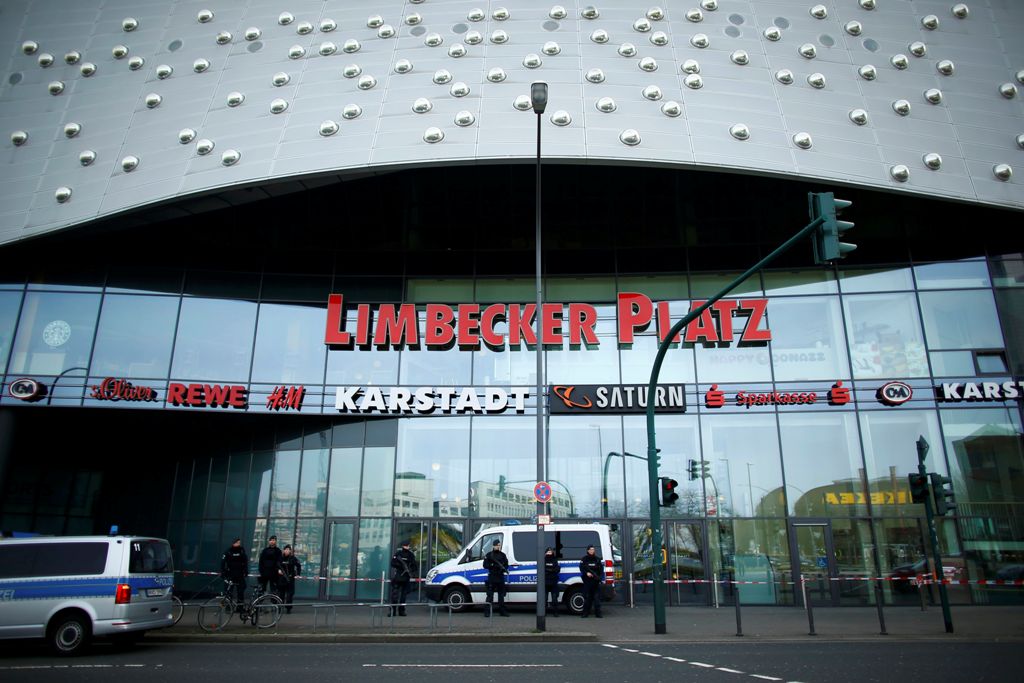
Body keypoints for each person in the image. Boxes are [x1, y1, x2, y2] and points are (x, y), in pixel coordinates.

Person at [483, 539, 511, 617]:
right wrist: (493, 565)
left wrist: (502, 568)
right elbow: (485, 565)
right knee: (490, 596)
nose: (498, 547)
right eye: (496, 545)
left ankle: (502, 611)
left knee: (501, 596)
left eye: (499, 545)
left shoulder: (503, 555)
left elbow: (506, 565)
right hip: (492, 577)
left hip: (500, 577)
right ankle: (487, 612)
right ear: (493, 546)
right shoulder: (489, 555)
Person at [389, 540, 417, 616]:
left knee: (403, 596)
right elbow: (393, 563)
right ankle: (393, 611)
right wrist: (401, 566)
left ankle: (400, 611)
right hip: (399, 577)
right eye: (407, 545)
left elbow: (414, 566)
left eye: (408, 545)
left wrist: (410, 571)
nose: (408, 547)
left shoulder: (410, 555)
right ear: (403, 546)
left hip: (405, 577)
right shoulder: (399, 554)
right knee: (395, 595)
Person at [220, 538, 248, 607]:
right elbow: (223, 562)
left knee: (241, 591)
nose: (239, 544)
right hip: (230, 574)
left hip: (240, 574)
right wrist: (223, 572)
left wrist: (246, 570)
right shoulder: (228, 551)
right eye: (237, 543)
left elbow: (245, 561)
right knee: (229, 592)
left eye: (239, 543)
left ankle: (240, 607)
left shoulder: (242, 550)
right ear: (233, 543)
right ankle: (228, 607)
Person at [579, 544, 603, 618]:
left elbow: (601, 570)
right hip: (587, 582)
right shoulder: (584, 559)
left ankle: (598, 614)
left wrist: (598, 577)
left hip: (595, 582)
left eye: (593, 549)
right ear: (588, 550)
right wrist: (587, 573)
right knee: (587, 599)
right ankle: (585, 614)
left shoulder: (597, 559)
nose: (592, 551)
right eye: (590, 550)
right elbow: (581, 568)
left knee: (597, 599)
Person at [277, 545, 301, 614]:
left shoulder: (293, 558)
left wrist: (298, 574)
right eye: (286, 549)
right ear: (284, 550)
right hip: (282, 579)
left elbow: (298, 566)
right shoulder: (280, 558)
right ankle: (279, 608)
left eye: (288, 549)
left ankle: (288, 609)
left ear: (290, 551)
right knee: (281, 594)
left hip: (290, 579)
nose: (287, 551)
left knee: (289, 595)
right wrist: (278, 570)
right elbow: (276, 566)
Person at [544, 547, 560, 616]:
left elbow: (557, 569)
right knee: (544, 598)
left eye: (550, 552)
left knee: (554, 598)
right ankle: (544, 612)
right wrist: (551, 570)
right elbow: (542, 569)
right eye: (548, 552)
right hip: (545, 582)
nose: (549, 553)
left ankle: (555, 612)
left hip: (553, 581)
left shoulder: (555, 560)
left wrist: (549, 570)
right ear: (545, 553)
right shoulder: (543, 560)